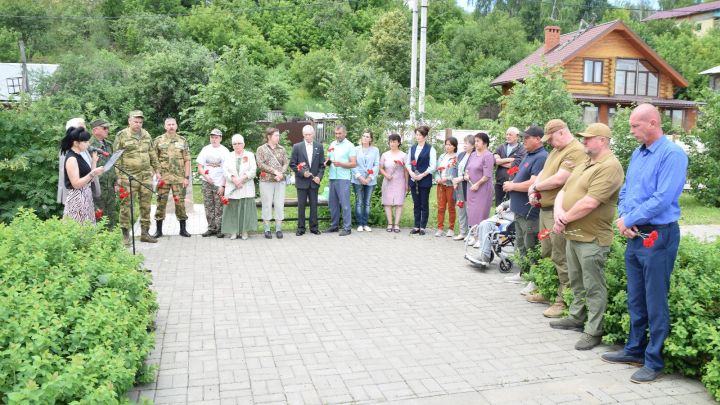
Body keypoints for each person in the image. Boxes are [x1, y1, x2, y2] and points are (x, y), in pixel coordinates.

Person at [602, 104, 687, 383]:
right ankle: (635, 350)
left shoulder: (672, 154)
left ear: (653, 123)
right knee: (636, 296)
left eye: (635, 126)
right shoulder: (638, 153)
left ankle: (654, 360)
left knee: (655, 299)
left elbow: (663, 198)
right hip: (636, 233)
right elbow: (627, 189)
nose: (631, 131)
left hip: (658, 235)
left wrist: (630, 219)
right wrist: (626, 217)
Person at [549, 123, 624, 351]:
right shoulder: (585, 162)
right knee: (577, 281)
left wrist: (564, 218)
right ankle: (576, 316)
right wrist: (559, 213)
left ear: (602, 140)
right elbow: (564, 190)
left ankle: (593, 330)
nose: (584, 141)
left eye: (588, 138)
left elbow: (591, 202)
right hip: (573, 234)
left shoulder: (610, 166)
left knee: (594, 286)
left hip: (592, 238)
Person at [527, 119, 586, 318]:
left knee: (560, 255)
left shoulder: (575, 150)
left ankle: (563, 300)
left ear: (561, 132)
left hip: (558, 211)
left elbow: (561, 179)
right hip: (545, 209)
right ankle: (548, 290)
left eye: (551, 138)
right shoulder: (556, 150)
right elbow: (544, 172)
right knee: (547, 251)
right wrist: (533, 188)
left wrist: (536, 187)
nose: (550, 143)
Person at [501, 126, 548, 290]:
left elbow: (533, 183)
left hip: (530, 211)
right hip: (519, 209)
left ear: (538, 139)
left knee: (531, 245)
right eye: (523, 137)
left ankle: (534, 280)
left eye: (527, 138)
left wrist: (512, 186)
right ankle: (523, 274)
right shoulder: (529, 154)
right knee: (520, 244)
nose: (524, 140)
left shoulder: (541, 157)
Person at [113, 110, 159, 244]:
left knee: (146, 205)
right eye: (135, 121)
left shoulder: (146, 134)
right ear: (129, 121)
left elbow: (151, 153)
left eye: (140, 122)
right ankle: (125, 234)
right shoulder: (122, 135)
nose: (138, 124)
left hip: (145, 176)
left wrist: (157, 169)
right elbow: (116, 157)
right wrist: (119, 176)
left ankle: (145, 233)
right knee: (126, 205)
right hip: (128, 177)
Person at [152, 117, 192, 238]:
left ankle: (183, 229)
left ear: (176, 126)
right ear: (165, 126)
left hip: (178, 178)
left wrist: (186, 177)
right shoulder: (158, 140)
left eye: (173, 124)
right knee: (161, 203)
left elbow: (187, 160)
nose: (171, 126)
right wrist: (157, 174)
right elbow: (153, 159)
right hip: (163, 178)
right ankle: (158, 231)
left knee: (180, 203)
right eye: (168, 124)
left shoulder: (182, 140)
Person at [60, 127, 104, 223]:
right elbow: (76, 184)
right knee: (79, 230)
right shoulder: (72, 158)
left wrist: (94, 162)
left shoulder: (79, 155)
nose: (88, 144)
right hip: (77, 198)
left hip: (86, 196)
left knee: (88, 230)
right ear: (76, 143)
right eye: (85, 142)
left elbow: (90, 179)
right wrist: (93, 173)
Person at [220, 134, 257, 240]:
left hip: (246, 186)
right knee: (233, 210)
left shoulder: (249, 155)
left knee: (245, 209)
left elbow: (253, 171)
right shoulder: (228, 156)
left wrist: (241, 179)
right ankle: (233, 231)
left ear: (244, 144)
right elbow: (225, 171)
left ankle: (244, 231)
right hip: (232, 186)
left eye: (239, 143)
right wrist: (234, 179)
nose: (237, 145)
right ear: (232, 145)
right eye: (234, 143)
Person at [291, 125, 324, 236]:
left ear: (313, 134)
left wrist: (319, 176)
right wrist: (302, 173)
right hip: (301, 182)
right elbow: (293, 164)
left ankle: (314, 227)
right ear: (303, 135)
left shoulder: (319, 147)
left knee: (314, 205)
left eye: (309, 134)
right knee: (301, 206)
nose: (307, 137)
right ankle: (301, 228)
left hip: (314, 182)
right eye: (305, 135)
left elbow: (322, 165)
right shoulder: (297, 147)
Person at [256, 127, 289, 239]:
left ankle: (278, 229)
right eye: (276, 135)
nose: (278, 137)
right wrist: (275, 171)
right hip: (266, 182)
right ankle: (267, 229)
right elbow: (260, 164)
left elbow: (286, 163)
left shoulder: (282, 149)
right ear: (269, 136)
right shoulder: (261, 149)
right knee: (266, 205)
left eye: (279, 135)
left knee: (279, 205)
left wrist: (281, 173)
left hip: (280, 181)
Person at [325, 125, 357, 236]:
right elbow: (328, 158)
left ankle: (347, 228)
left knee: (345, 203)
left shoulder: (350, 146)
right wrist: (326, 162)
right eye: (336, 133)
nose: (337, 135)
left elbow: (353, 163)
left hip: (343, 178)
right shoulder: (332, 144)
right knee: (333, 203)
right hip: (332, 177)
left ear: (345, 133)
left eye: (340, 133)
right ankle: (334, 226)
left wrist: (341, 164)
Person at [197, 128, 229, 238]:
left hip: (219, 183)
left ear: (220, 138)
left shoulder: (224, 151)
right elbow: (200, 167)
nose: (214, 139)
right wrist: (205, 176)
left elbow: (227, 170)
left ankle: (220, 228)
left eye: (216, 137)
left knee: (219, 206)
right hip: (207, 182)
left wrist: (223, 185)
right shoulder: (205, 149)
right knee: (208, 206)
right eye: (212, 137)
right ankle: (211, 228)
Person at [406, 125, 436, 235]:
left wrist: (422, 175)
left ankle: (423, 226)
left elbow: (433, 166)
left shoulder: (430, 149)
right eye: (417, 135)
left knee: (424, 203)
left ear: (425, 136)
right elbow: (408, 163)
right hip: (414, 179)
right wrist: (411, 173)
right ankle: (416, 225)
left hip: (424, 179)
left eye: (420, 135)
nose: (418, 137)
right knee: (416, 204)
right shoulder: (412, 148)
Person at [89, 119, 118, 229]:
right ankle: (100, 242)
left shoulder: (108, 145)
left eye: (107, 128)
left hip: (109, 186)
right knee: (99, 216)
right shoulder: (89, 146)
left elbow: (112, 165)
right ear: (95, 130)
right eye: (104, 128)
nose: (107, 130)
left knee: (111, 214)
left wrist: (115, 182)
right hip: (97, 188)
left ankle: (110, 241)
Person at [464, 132, 494, 235]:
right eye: (475, 141)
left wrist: (477, 184)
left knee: (480, 212)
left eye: (478, 141)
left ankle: (481, 237)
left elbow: (487, 175)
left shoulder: (488, 156)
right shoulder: (473, 154)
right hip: (471, 187)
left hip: (482, 189)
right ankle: (474, 235)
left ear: (485, 143)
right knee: (472, 212)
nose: (475, 143)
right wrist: (466, 175)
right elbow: (468, 169)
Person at [351, 129, 380, 232]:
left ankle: (365, 223)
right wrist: (359, 177)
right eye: (363, 136)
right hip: (357, 179)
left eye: (367, 136)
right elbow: (352, 164)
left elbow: (377, 165)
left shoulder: (375, 150)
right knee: (359, 202)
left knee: (367, 202)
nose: (365, 138)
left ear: (371, 139)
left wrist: (369, 178)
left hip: (370, 180)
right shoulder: (355, 149)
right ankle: (359, 224)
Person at [379, 133, 408, 233]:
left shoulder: (403, 155)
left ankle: (396, 224)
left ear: (398, 143)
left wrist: (407, 184)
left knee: (399, 203)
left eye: (394, 141)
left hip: (400, 181)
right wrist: (386, 175)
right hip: (387, 181)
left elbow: (406, 170)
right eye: (391, 141)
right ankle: (390, 223)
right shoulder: (385, 154)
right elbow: (380, 168)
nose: (392, 143)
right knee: (387, 202)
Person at [494, 127, 526, 206]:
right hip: (499, 183)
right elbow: (495, 160)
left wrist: (501, 162)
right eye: (507, 134)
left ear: (517, 137)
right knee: (498, 206)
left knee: (510, 206)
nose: (508, 136)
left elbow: (517, 165)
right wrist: (510, 159)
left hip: (513, 183)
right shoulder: (501, 147)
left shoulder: (522, 148)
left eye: (510, 135)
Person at [451, 135, 475, 241]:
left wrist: (460, 179)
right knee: (460, 208)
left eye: (467, 143)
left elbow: (471, 172)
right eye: (464, 143)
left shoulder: (474, 156)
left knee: (469, 209)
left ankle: (471, 234)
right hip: (458, 185)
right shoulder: (461, 154)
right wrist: (454, 180)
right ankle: (462, 232)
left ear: (473, 145)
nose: (464, 145)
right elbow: (454, 167)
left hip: (468, 185)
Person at [434, 137, 458, 237]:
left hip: (451, 186)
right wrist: (437, 178)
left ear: (455, 146)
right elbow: (436, 170)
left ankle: (451, 228)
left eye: (450, 145)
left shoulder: (457, 157)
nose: (448, 146)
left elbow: (458, 172)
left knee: (451, 207)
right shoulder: (442, 156)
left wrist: (448, 178)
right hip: (440, 185)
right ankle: (440, 228)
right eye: (446, 144)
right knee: (441, 207)